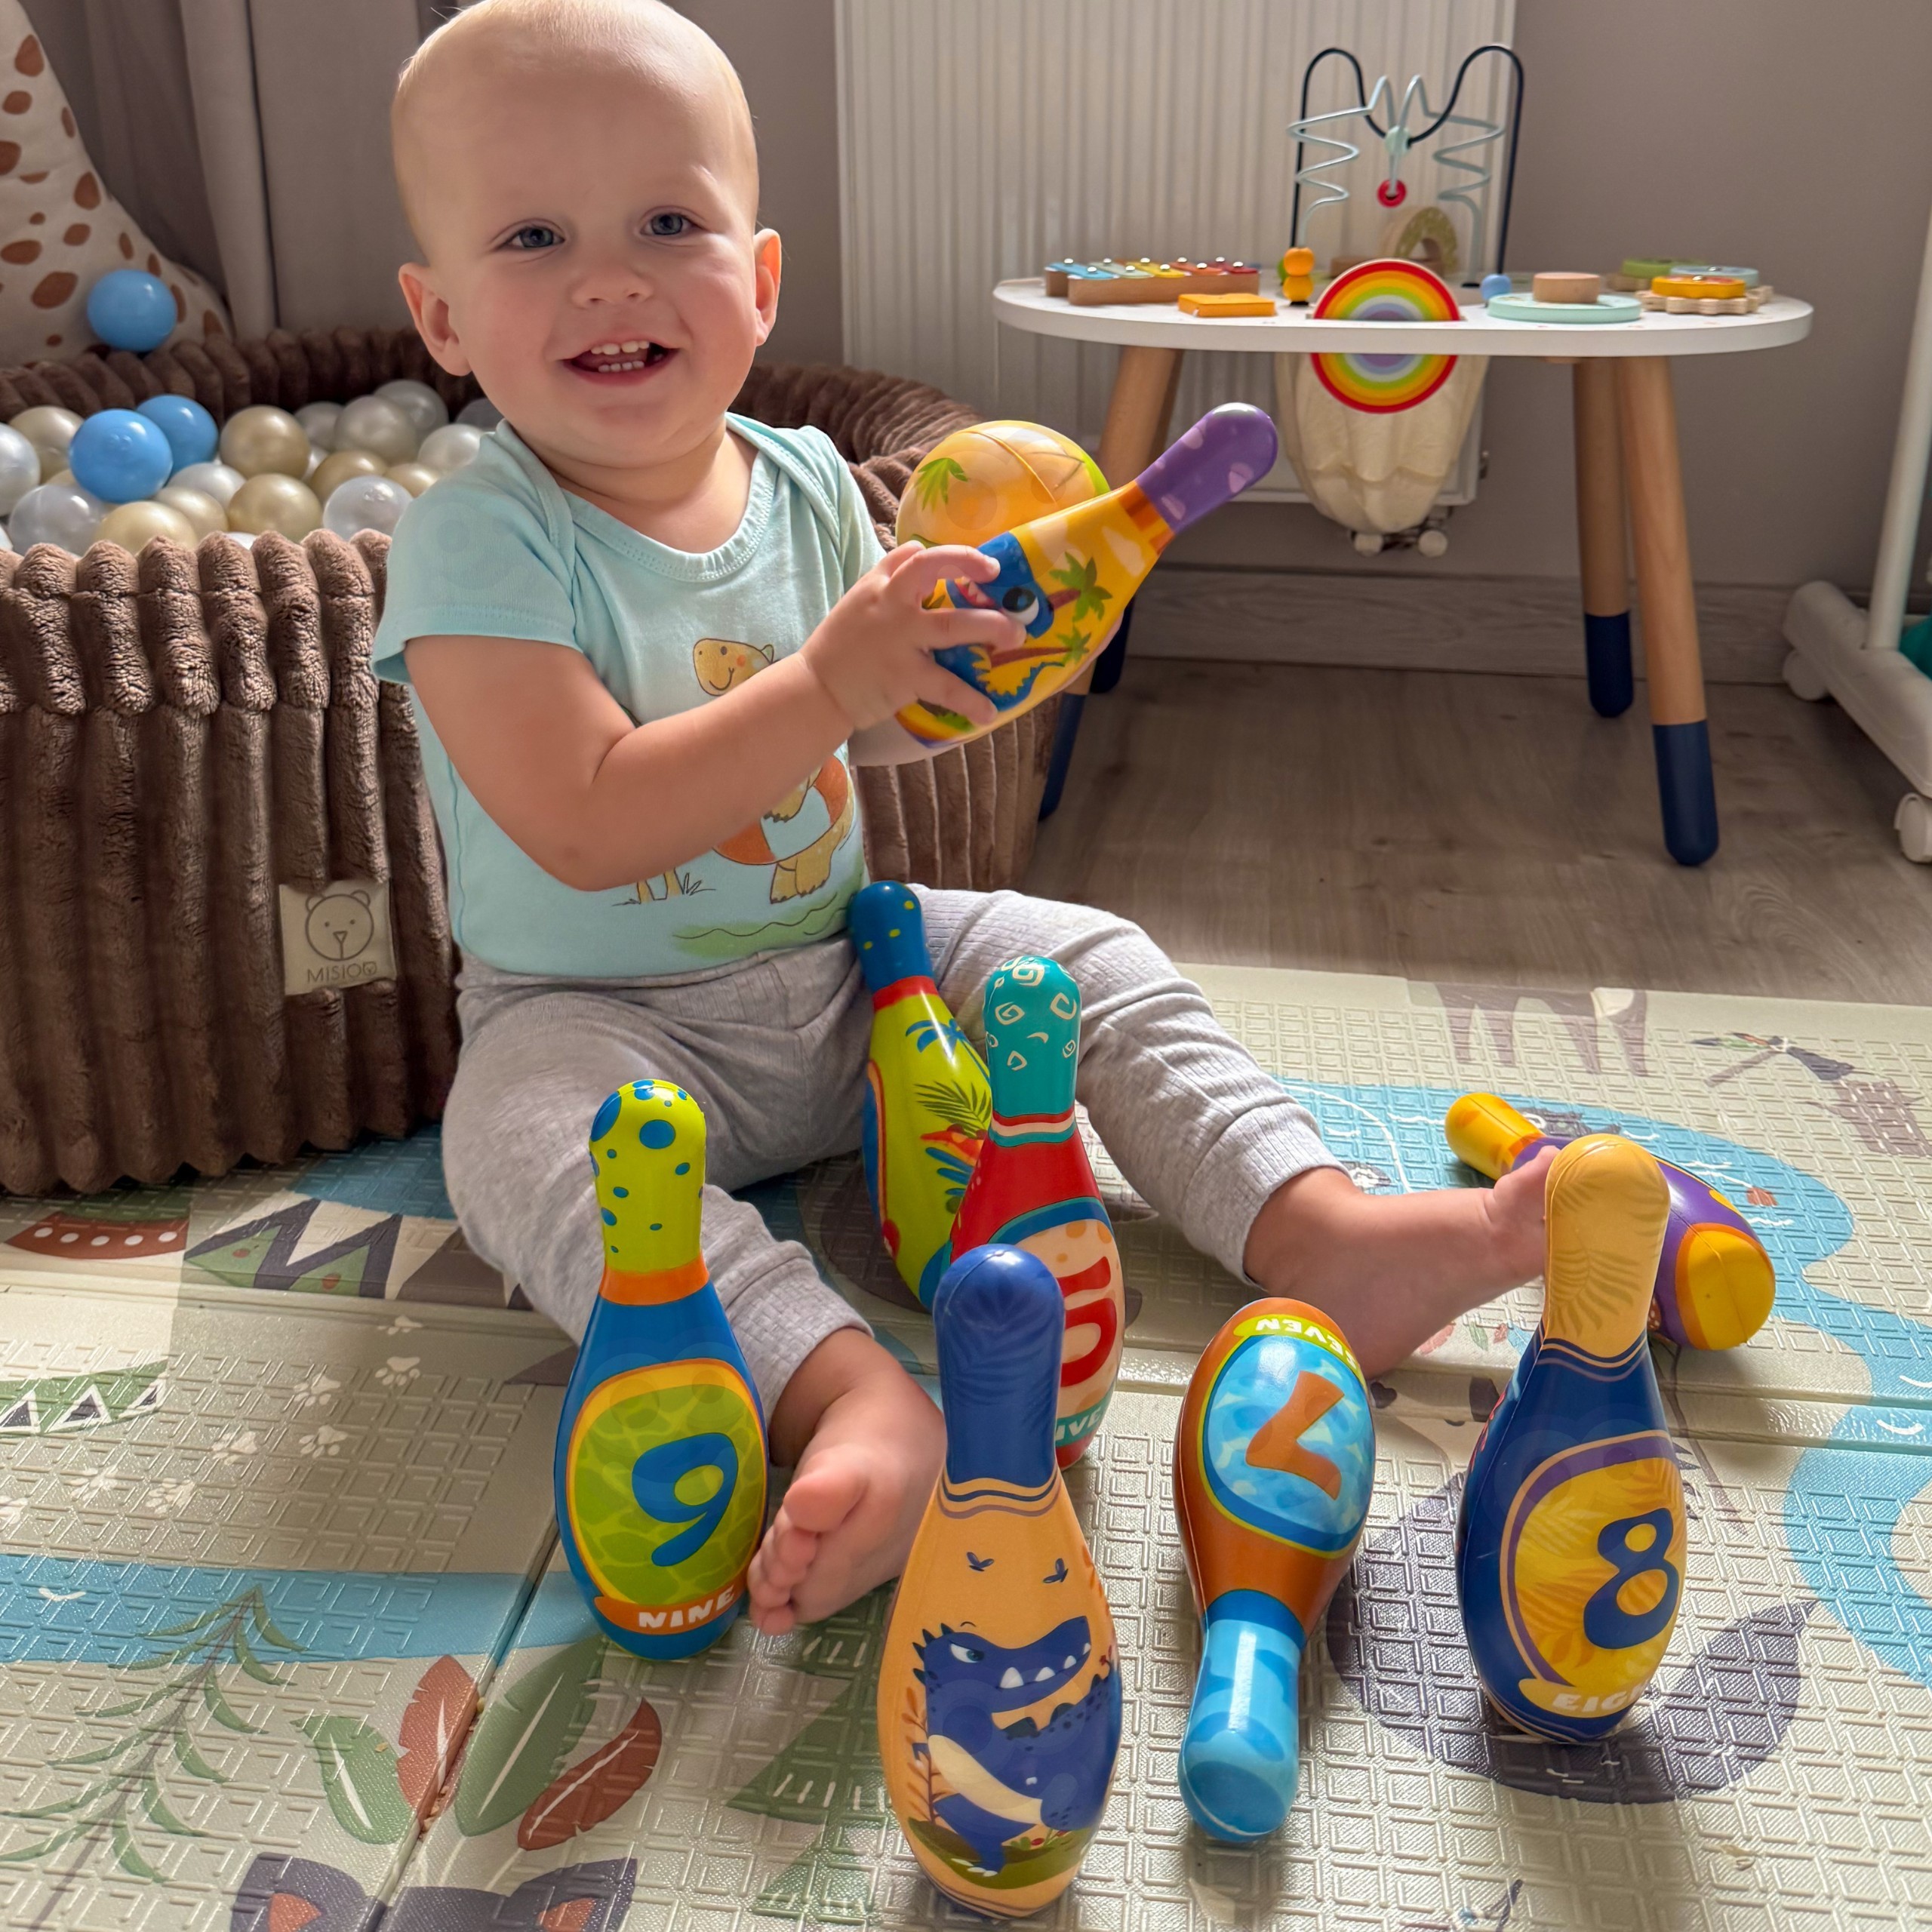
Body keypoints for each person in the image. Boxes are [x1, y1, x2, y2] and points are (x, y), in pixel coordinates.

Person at [377, 0, 1551, 1638]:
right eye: (532, 237)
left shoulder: (804, 480)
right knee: (516, 1144)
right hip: (599, 1022)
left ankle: (1318, 1226)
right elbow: (582, 820)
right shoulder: (475, 540)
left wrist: (995, 658)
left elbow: (888, 720)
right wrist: (830, 680)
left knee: (1091, 957)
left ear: (760, 282)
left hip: (855, 973)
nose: (609, 281)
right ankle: (848, 1396)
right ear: (441, 318)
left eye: (665, 223)